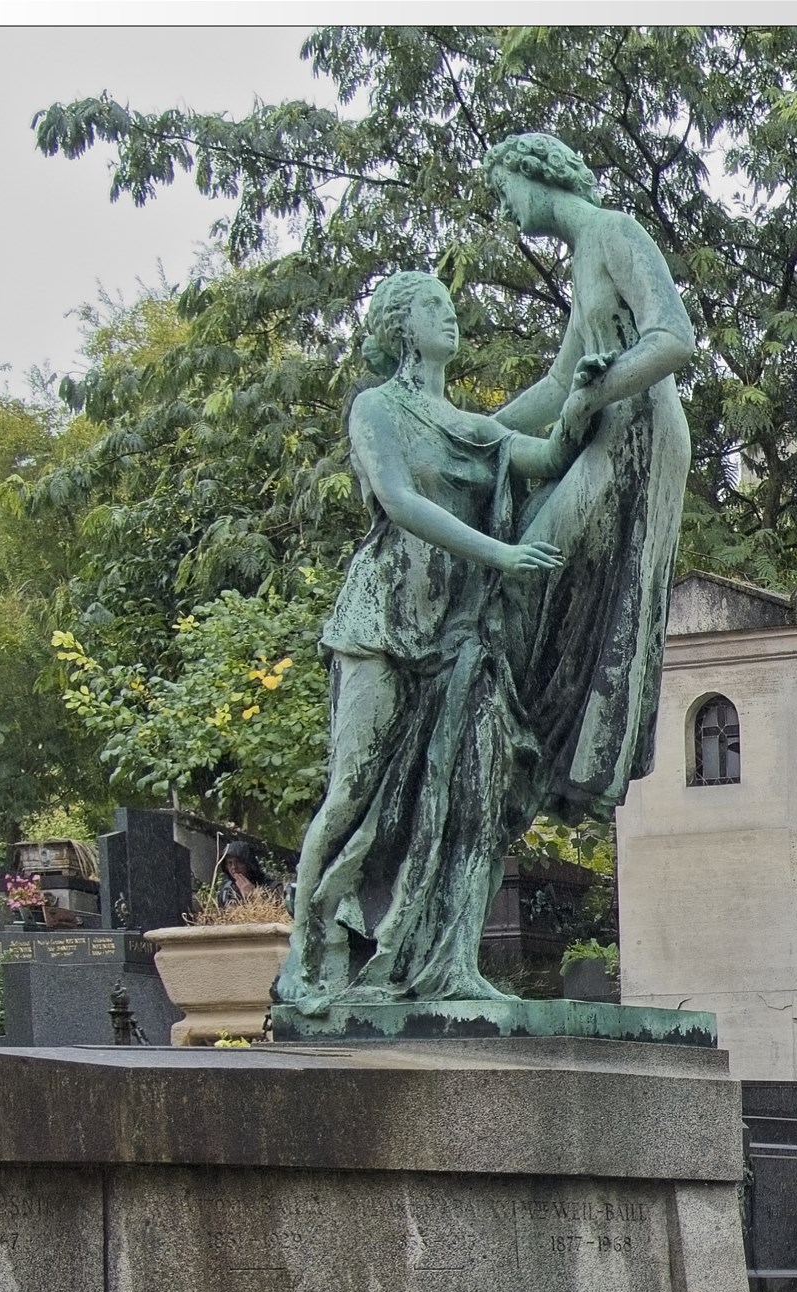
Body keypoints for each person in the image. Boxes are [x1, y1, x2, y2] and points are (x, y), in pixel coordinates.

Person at [277, 270, 572, 1011]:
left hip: (453, 633)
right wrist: (501, 554)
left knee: (449, 796)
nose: (451, 316)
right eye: (435, 306)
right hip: (380, 622)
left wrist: (595, 391)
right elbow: (399, 502)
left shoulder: (470, 425)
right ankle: (307, 961)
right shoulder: (376, 408)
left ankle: (432, 959)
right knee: (351, 792)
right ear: (403, 326)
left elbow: (544, 454)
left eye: (450, 304)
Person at [481, 132, 698, 827]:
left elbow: (674, 338)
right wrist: (473, 431)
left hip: (639, 432)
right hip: (610, 427)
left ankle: (559, 747)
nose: (505, 207)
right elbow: (555, 382)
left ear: (538, 175)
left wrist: (595, 395)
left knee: (534, 567)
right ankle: (552, 745)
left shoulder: (615, 231)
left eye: (505, 189)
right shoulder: (584, 256)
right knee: (535, 565)